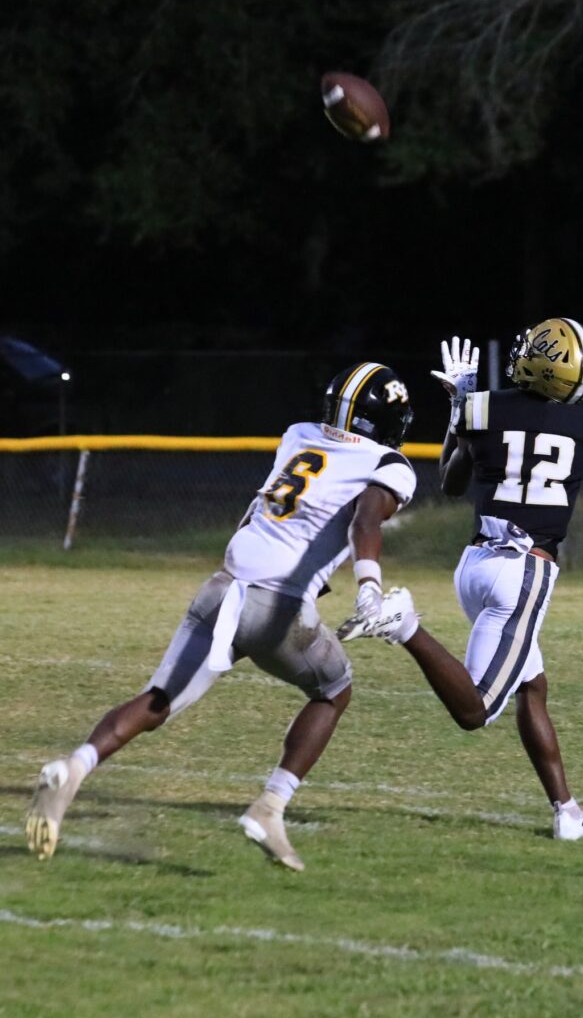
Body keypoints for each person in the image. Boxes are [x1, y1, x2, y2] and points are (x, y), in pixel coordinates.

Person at [26, 361, 426, 871]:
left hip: (224, 585)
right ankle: (270, 807)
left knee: (157, 700)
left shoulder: (299, 436)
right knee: (334, 691)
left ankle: (73, 767)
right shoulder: (388, 463)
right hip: (275, 604)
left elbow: (258, 512)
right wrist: (369, 587)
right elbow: (366, 521)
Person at [342, 319, 583, 841]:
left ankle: (567, 811)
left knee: (533, 686)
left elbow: (451, 481)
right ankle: (404, 626)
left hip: (475, 566)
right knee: (478, 709)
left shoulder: (481, 408)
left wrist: (461, 408)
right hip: (525, 571)